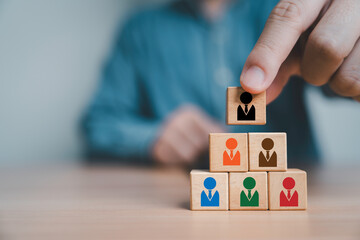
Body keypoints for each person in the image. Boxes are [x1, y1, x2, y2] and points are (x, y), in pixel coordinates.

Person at [82, 0, 360, 167]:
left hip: (302, 191)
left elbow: (335, 76)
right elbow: (98, 124)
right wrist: (152, 138)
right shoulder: (139, 30)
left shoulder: (291, 10)